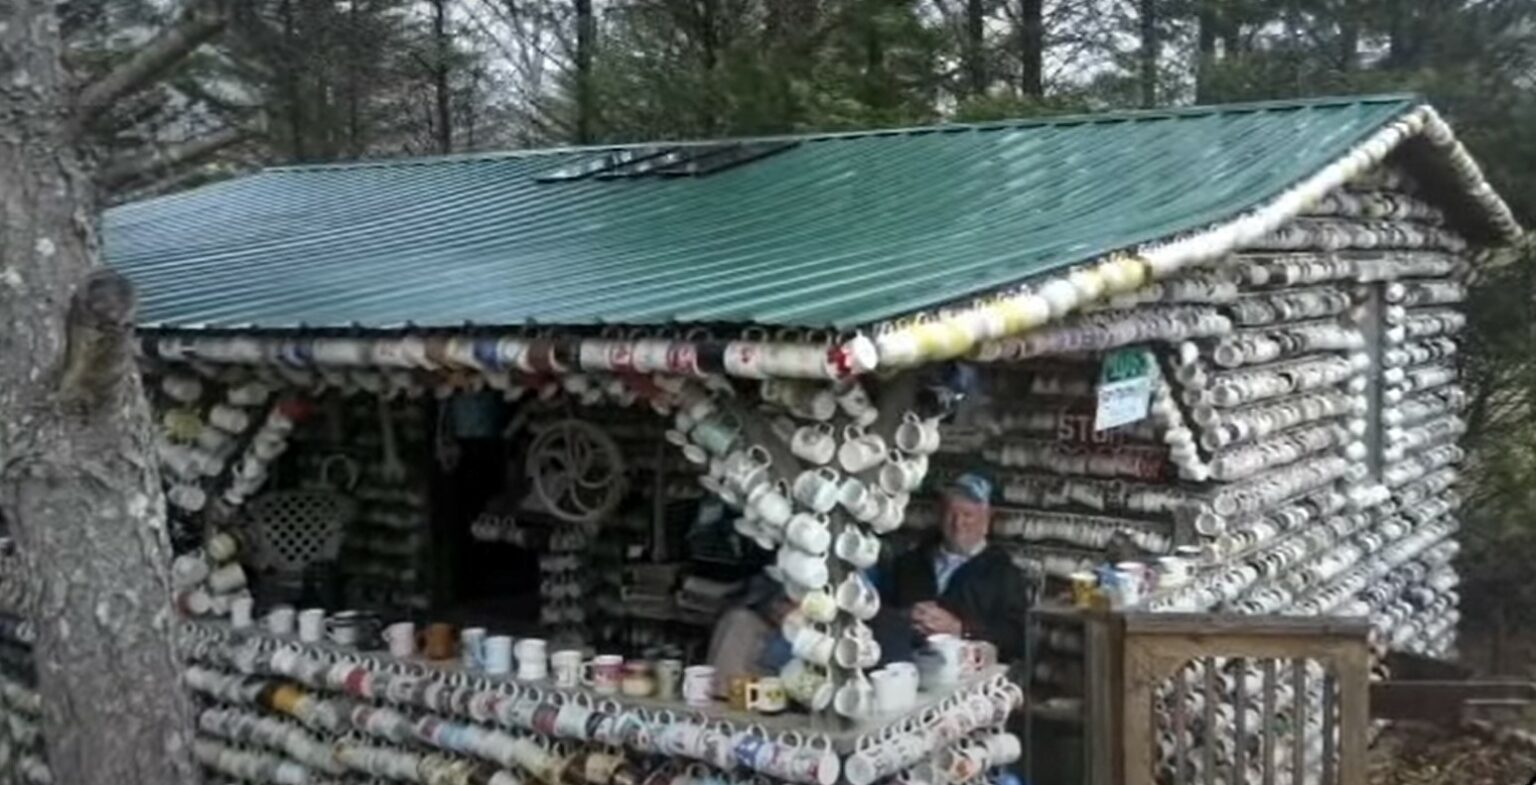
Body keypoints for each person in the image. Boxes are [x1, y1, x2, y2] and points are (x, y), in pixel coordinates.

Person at [874, 472, 1033, 662]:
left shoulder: (1004, 574)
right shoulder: (910, 563)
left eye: (968, 515)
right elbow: (876, 610)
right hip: (905, 667)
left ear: (987, 520)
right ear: (940, 515)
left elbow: (1017, 639)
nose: (958, 524)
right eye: (951, 513)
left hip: (967, 677)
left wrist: (961, 629)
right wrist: (905, 616)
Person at [704, 575, 795, 694]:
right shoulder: (743, 622)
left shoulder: (780, 631)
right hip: (734, 699)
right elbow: (729, 681)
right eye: (787, 603)